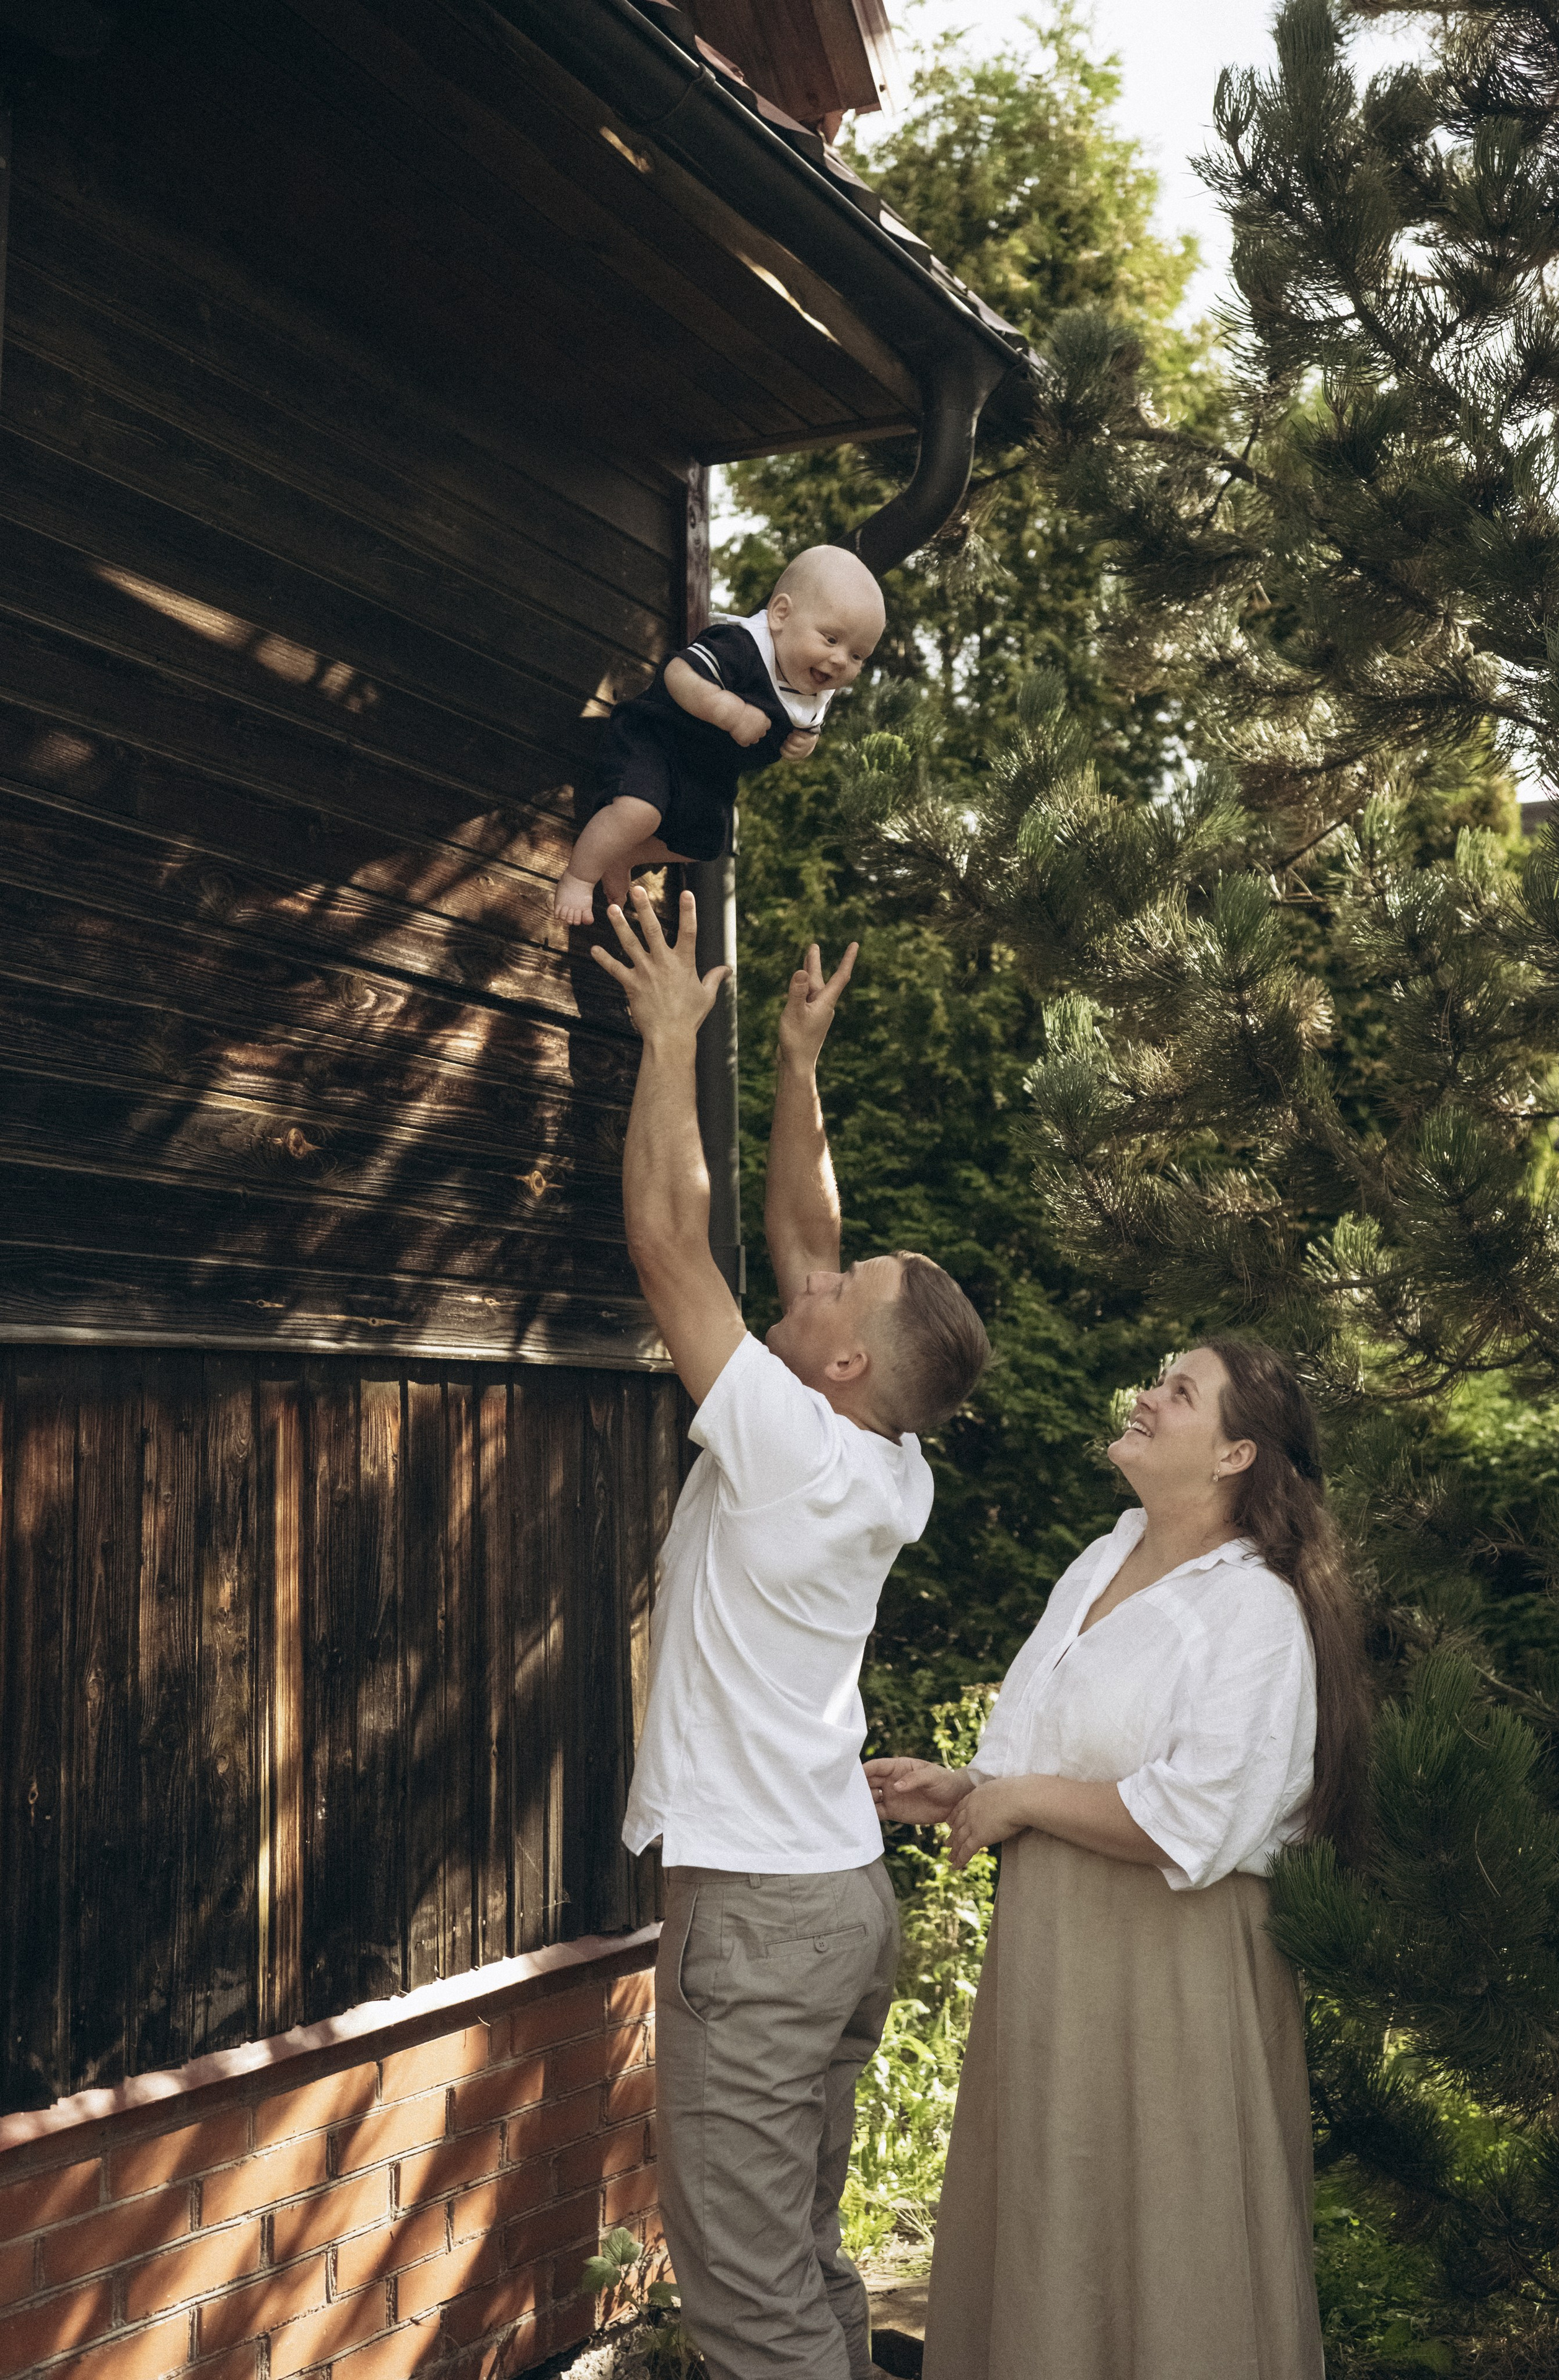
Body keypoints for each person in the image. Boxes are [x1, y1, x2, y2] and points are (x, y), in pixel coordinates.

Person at [592, 884, 990, 2380]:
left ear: (836, 1357)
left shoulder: (792, 1447)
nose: (819, 1268)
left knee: (746, 2298)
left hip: (758, 1922)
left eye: (841, 1290)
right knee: (808, 2261)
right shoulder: (883, 1460)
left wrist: (671, 1037)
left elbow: (663, 1241)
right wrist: (797, 1068)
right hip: (834, 1903)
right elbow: (800, 1238)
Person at [866, 1341, 1372, 2380]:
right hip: (1054, 1954)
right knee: (1053, 2225)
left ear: (1237, 1453)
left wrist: (1021, 1797)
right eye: (1155, 1379)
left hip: (1171, 1970)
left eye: (1178, 1392)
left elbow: (1196, 1815)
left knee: (1170, 2241)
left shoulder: (1258, 1611)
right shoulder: (1105, 1556)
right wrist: (969, 1790)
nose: (1144, 1395)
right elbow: (1058, 1758)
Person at [555, 546, 885, 924]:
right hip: (658, 740)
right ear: (781, 615)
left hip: (708, 774)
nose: (842, 659)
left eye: (858, 656)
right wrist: (726, 709)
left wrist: (803, 745)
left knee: (706, 843)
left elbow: (808, 731)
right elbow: (678, 673)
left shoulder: (815, 692)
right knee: (639, 811)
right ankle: (579, 876)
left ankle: (625, 854)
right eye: (830, 639)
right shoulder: (741, 647)